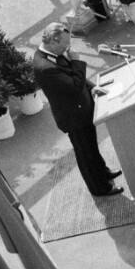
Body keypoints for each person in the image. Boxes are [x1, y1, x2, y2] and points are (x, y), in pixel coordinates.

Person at [33, 23, 123, 198]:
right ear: (53, 41)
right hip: (73, 118)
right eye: (65, 44)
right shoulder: (45, 67)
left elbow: (72, 76)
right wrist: (76, 61)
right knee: (85, 154)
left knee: (91, 147)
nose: (68, 47)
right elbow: (74, 86)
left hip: (82, 110)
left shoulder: (54, 53)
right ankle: (100, 188)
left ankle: (103, 172)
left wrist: (92, 87)